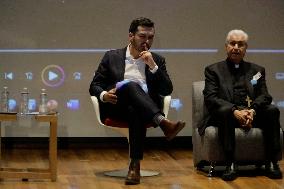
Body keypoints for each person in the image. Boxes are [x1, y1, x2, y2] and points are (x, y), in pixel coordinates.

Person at [89, 17, 185, 185]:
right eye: (142, 36)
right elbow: (95, 85)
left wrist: (153, 66)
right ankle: (163, 123)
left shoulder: (157, 60)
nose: (146, 41)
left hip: (144, 111)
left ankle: (134, 167)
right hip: (116, 106)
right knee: (130, 85)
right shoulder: (112, 56)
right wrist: (104, 95)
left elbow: (167, 90)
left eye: (150, 37)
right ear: (131, 36)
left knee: (136, 109)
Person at [201, 29, 282, 181]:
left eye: (240, 44)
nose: (236, 47)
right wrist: (235, 111)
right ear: (226, 47)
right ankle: (230, 163)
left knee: (272, 110)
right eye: (232, 43)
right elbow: (211, 97)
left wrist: (252, 111)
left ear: (246, 48)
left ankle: (272, 161)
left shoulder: (257, 70)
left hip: (251, 114)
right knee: (225, 111)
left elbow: (265, 96)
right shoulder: (213, 70)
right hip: (225, 116)